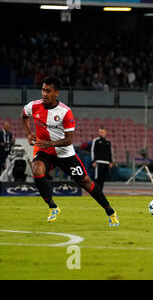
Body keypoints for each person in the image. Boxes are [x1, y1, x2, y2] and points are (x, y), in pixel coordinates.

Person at [21, 77, 119, 226]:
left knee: (85, 182)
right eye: (43, 90)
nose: (44, 94)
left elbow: (69, 140)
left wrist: (50, 143)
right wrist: (28, 133)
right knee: (36, 169)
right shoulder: (33, 106)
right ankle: (53, 207)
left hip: (65, 154)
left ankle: (110, 211)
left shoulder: (65, 112)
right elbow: (23, 116)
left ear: (56, 93)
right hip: (45, 152)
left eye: (48, 91)